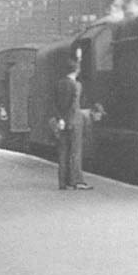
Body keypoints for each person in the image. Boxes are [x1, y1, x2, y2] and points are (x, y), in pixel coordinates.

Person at [53, 59, 91, 190]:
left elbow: (56, 104)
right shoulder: (76, 85)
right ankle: (75, 181)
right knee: (75, 151)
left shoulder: (59, 84)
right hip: (74, 122)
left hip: (62, 122)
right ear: (77, 70)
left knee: (63, 152)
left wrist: (60, 119)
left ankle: (63, 183)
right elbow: (74, 105)